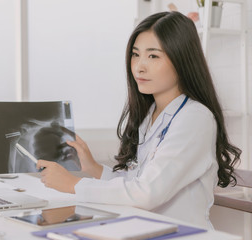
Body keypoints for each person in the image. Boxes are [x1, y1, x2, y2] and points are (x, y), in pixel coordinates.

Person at [36, 11, 241, 229]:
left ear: (181, 59)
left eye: (153, 56)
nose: (139, 66)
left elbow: (146, 193)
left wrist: (73, 184)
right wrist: (93, 168)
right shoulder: (151, 114)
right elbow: (135, 182)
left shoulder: (195, 118)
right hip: (146, 229)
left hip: (182, 233)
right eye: (136, 54)